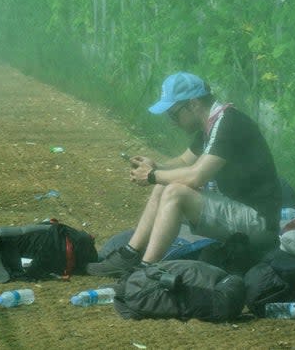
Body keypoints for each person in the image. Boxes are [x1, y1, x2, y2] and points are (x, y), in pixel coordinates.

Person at [88, 72, 281, 277]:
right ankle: (129, 255)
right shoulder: (212, 124)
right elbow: (182, 162)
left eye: (173, 113)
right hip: (241, 212)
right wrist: (156, 167)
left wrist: (152, 175)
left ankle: (145, 272)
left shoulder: (229, 124)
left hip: (259, 222)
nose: (172, 121)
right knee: (165, 184)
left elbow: (197, 176)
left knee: (176, 192)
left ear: (193, 104)